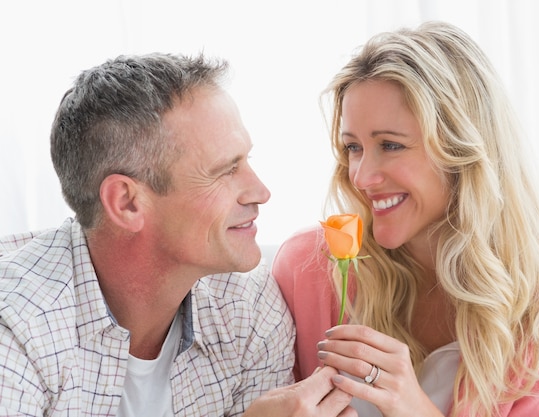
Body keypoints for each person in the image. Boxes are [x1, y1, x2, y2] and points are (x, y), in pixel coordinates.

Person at [272, 21, 539, 417]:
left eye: (390, 145)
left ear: (463, 150)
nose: (361, 176)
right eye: (353, 147)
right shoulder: (306, 268)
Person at [0, 53, 354, 416]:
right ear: (127, 203)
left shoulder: (248, 308)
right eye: (224, 171)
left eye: (246, 161)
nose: (260, 192)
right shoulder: (16, 324)